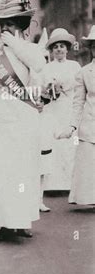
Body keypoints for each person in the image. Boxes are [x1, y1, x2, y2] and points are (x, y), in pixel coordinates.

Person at [0, 0, 45, 241]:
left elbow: (39, 65)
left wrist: (14, 43)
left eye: (12, 24)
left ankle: (21, 220)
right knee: (0, 170)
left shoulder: (29, 49)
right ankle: (4, 222)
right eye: (3, 24)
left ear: (21, 25)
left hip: (23, 118)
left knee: (23, 172)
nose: (6, 29)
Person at [57, 25, 95, 205]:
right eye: (93, 45)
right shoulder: (84, 72)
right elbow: (78, 101)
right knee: (88, 165)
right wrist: (72, 126)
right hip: (89, 124)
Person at [40, 28, 82, 192]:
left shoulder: (75, 66)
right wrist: (50, 89)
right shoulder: (47, 68)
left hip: (70, 108)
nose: (59, 49)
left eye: (62, 46)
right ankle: (53, 184)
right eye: (56, 46)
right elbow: (42, 89)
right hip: (53, 109)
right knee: (54, 143)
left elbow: (80, 88)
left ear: (67, 49)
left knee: (71, 144)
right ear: (52, 50)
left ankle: (71, 183)